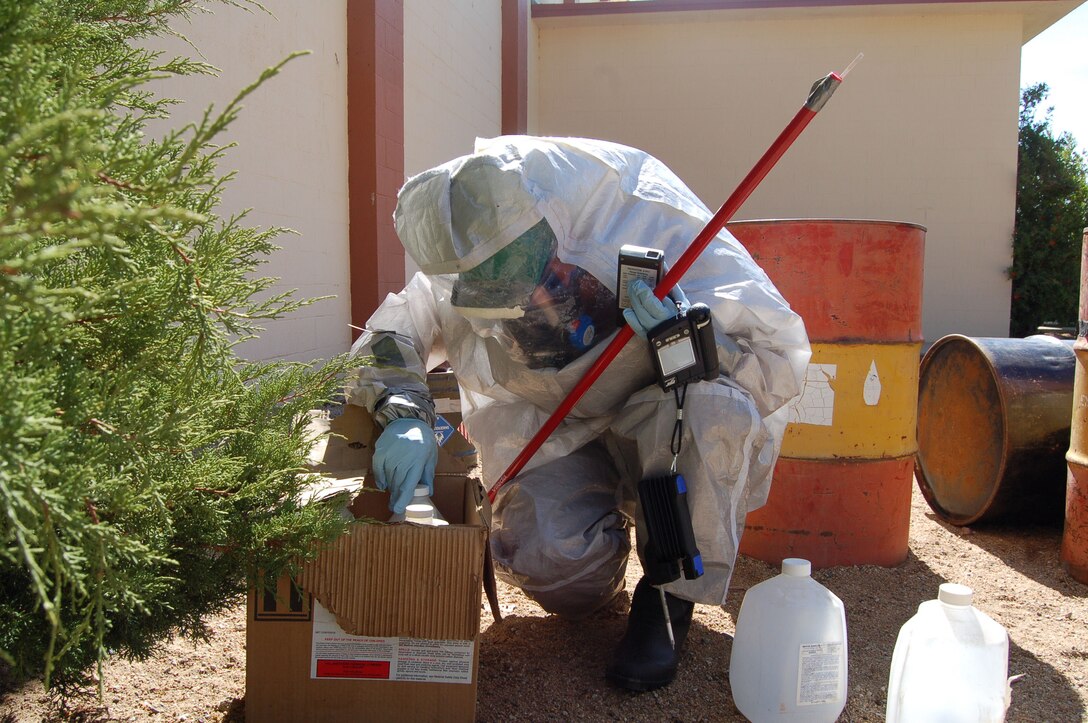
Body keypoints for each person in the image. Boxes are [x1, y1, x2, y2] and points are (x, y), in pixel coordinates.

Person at [347, 135, 810, 691]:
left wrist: (688, 339)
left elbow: (774, 359)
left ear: (553, 229)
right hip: (559, 427)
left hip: (665, 419)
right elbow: (394, 330)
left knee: (715, 406)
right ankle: (604, 561)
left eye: (523, 283)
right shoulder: (466, 257)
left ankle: (667, 599)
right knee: (556, 565)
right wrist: (402, 411)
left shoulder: (649, 221)